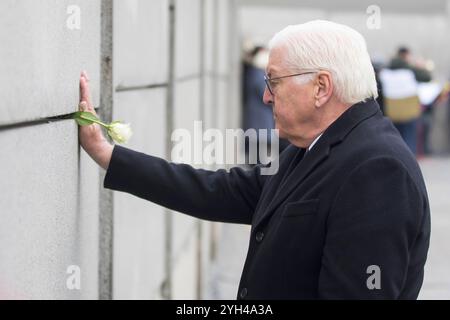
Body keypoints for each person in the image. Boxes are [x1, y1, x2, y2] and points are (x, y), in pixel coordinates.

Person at [79, 20, 430, 299]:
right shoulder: (317, 144)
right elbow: (219, 191)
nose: (264, 96)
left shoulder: (377, 170)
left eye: (274, 81)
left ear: (321, 87)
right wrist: (109, 155)